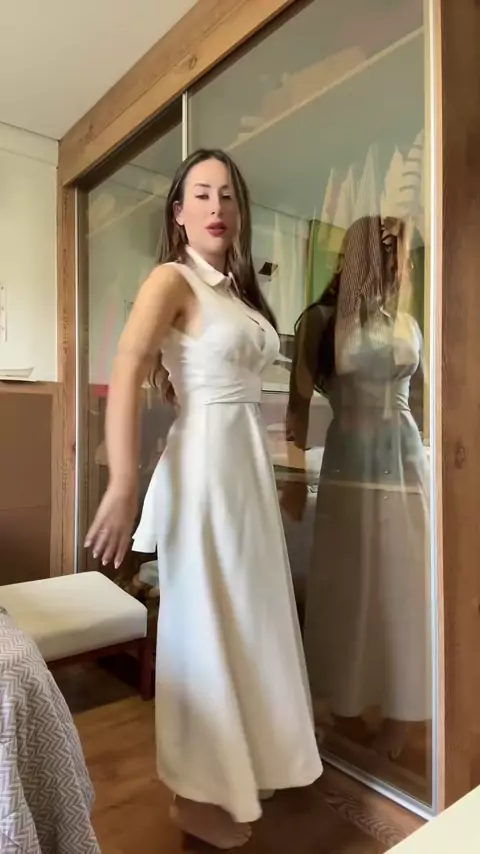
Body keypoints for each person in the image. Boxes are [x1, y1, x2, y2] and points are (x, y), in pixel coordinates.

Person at [85, 149, 322, 850]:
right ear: (179, 212)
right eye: (201, 194)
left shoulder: (239, 297)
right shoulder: (172, 278)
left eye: (227, 195)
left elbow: (253, 397)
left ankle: (242, 768)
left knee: (250, 621)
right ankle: (194, 795)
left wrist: (287, 466)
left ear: (238, 212)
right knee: (205, 628)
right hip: (204, 475)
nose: (216, 206)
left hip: (245, 472)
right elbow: (127, 366)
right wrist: (122, 483)